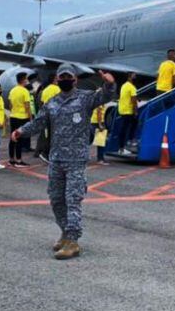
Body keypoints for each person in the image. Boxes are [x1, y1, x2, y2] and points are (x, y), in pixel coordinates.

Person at [12, 64, 115, 260]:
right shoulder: (52, 103)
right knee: (56, 199)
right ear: (58, 80)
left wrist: (109, 84)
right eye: (62, 77)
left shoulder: (85, 98)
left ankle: (73, 242)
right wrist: (21, 131)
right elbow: (38, 123)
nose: (65, 79)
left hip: (76, 160)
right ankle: (65, 233)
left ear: (75, 79)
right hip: (56, 159)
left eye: (69, 76)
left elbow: (105, 96)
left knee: (72, 200)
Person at [7, 72, 33, 167]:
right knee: (19, 139)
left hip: (13, 116)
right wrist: (30, 119)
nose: (27, 80)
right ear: (23, 80)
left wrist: (14, 111)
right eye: (26, 78)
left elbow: (10, 105)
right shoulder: (25, 91)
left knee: (12, 138)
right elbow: (27, 107)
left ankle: (11, 159)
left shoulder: (12, 90)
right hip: (22, 117)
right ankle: (19, 160)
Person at [35, 75, 61, 162]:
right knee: (55, 136)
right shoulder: (57, 89)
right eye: (58, 78)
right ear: (54, 80)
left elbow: (42, 103)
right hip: (55, 115)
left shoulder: (45, 90)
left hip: (46, 114)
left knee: (48, 135)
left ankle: (43, 152)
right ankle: (47, 154)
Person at [115, 72, 138, 155]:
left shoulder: (124, 85)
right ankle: (125, 145)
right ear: (130, 77)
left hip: (122, 109)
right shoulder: (132, 87)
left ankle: (128, 142)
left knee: (125, 127)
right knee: (131, 125)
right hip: (128, 110)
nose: (135, 76)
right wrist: (135, 111)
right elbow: (133, 101)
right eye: (134, 75)